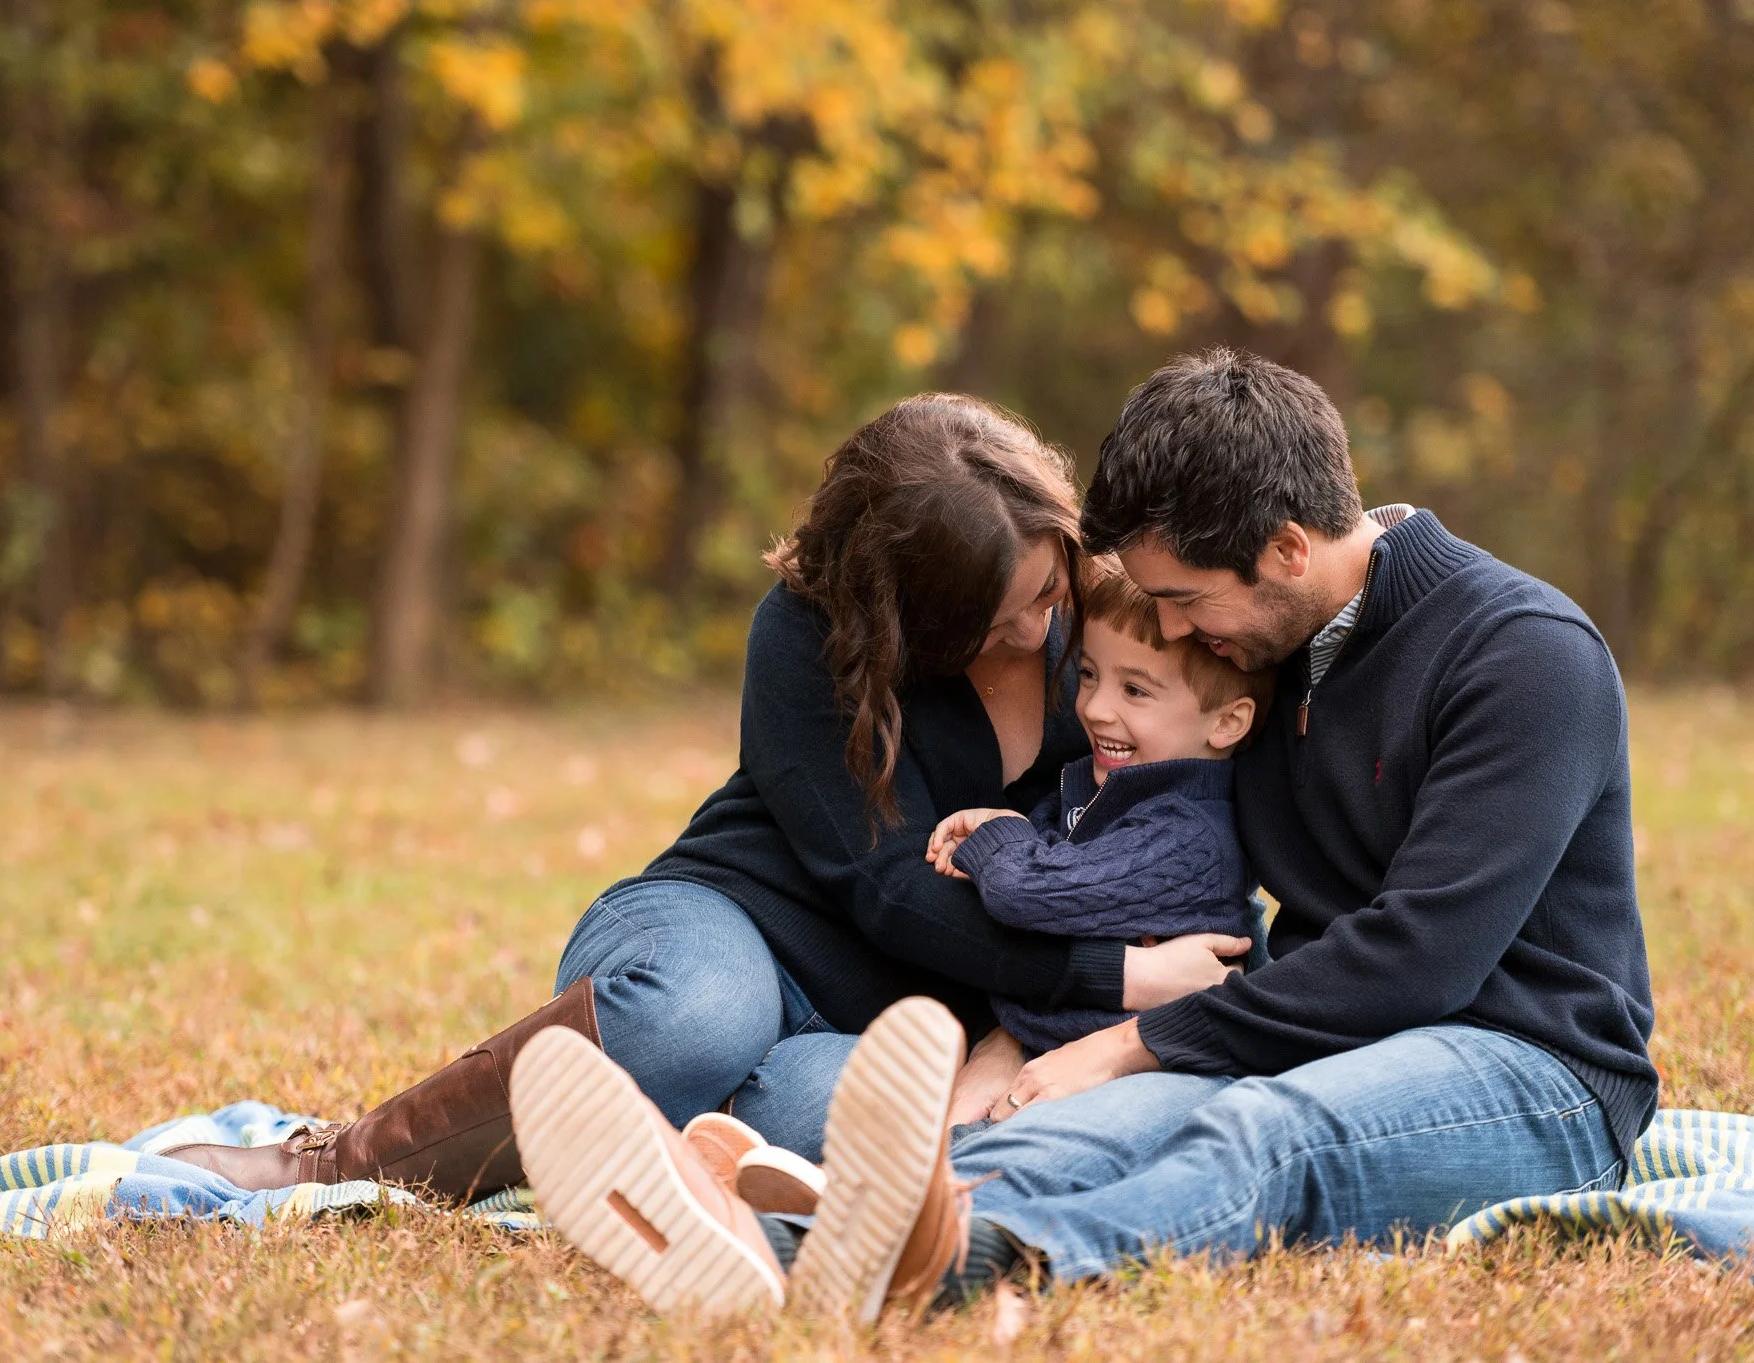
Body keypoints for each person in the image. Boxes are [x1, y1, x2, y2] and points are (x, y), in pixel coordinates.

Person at [508, 347, 1658, 1318]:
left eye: (1180, 603)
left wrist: (1125, 1040)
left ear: (1288, 551)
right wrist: (1052, 1039)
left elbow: (1422, 958)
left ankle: (914, 1262)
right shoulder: (1260, 655)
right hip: (1317, 1032)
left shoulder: (1521, 657)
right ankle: (787, 1241)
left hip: (1527, 1062)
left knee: (1253, 1133)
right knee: (1057, 1125)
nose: (1160, 630)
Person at [163, 393, 1246, 1200]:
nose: (1037, 633)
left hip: (894, 1015)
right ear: (908, 611)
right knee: (691, 1018)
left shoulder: (1101, 631)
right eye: (999, 617)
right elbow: (883, 885)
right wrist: (1103, 972)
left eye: (1048, 589)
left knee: (833, 1126)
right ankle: (337, 1161)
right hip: (730, 926)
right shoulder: (804, 636)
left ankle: (674, 1134)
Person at [925, 556, 1270, 1054]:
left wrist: (995, 839)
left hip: (1130, 1066)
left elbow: (1024, 893)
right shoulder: (1112, 786)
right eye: (1088, 674)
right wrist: (1009, 838)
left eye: (1134, 690)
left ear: (1227, 723)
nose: (1093, 707)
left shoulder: (1188, 834)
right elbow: (1048, 843)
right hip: (1044, 1037)